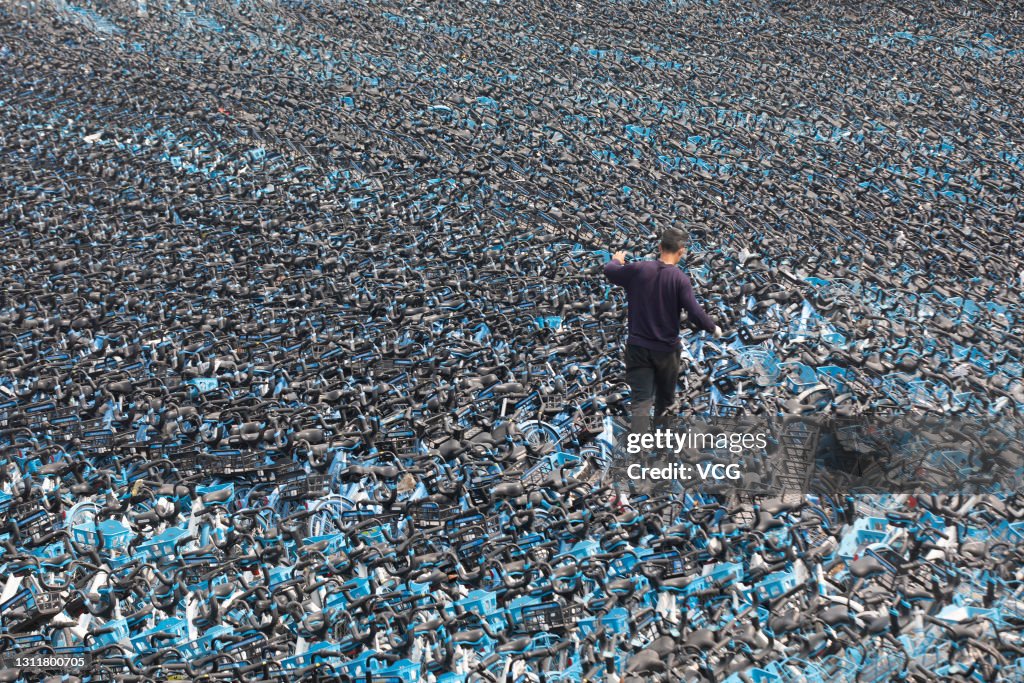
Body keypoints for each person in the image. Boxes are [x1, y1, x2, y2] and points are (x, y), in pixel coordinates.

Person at [604, 228, 721, 435]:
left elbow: (609, 271)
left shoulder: (639, 269)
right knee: (665, 402)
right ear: (681, 251)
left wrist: (616, 259)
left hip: (637, 347)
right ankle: (660, 450)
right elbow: (694, 311)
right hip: (666, 351)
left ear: (659, 247)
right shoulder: (680, 279)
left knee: (641, 401)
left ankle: (637, 452)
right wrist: (713, 328)